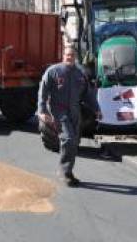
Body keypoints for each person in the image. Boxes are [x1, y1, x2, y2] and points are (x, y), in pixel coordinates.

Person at [37, 46, 99, 186]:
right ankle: (64, 171)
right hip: (59, 111)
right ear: (62, 56)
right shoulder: (53, 72)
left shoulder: (80, 74)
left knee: (74, 142)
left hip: (75, 111)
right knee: (68, 138)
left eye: (71, 55)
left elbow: (88, 94)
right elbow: (43, 91)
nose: (69, 57)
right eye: (66, 55)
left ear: (75, 56)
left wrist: (97, 109)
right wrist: (42, 111)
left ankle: (69, 171)